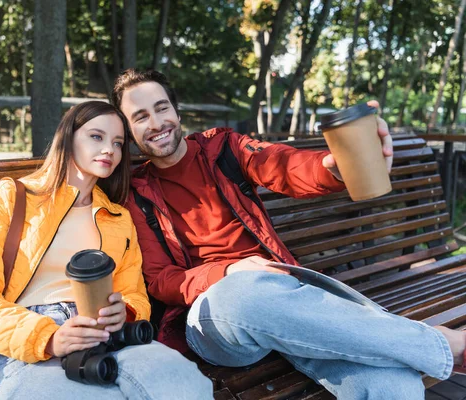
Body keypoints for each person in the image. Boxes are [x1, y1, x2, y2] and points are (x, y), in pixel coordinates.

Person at [111, 69, 466, 399]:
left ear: (176, 109)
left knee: (393, 383)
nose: (156, 123)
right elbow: (161, 281)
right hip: (216, 318)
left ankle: (430, 349)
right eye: (140, 117)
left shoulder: (221, 149)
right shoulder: (136, 194)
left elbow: (282, 164)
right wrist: (230, 272)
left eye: (162, 108)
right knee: (243, 293)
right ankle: (442, 345)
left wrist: (334, 166)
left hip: (286, 301)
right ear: (128, 130)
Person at [0, 101, 213, 400]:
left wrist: (127, 312)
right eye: (96, 136)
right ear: (68, 138)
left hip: (106, 337)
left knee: (185, 384)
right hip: (23, 343)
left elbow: (133, 291)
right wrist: (48, 337)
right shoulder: (7, 197)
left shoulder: (118, 218)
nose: (109, 149)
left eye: (118, 142)